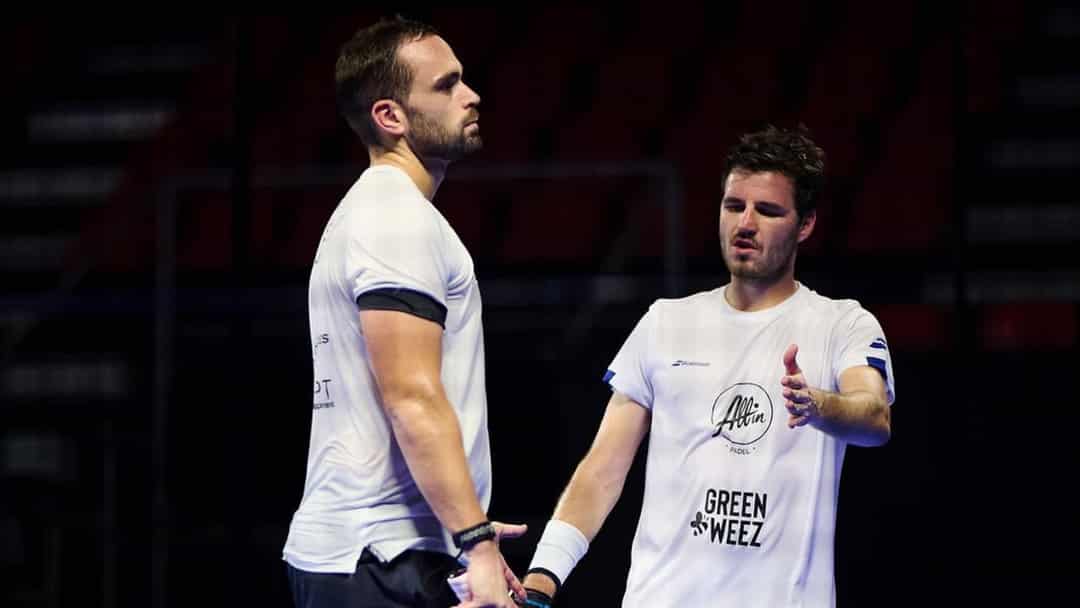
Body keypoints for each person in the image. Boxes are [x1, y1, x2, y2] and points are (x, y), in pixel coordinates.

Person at [519, 126, 895, 607]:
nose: (745, 223)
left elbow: (874, 418)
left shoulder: (842, 323)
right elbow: (602, 469)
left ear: (805, 225)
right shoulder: (665, 322)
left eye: (768, 211)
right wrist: (542, 579)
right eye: (734, 206)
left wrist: (819, 405)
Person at [282, 16, 525, 608]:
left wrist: (465, 535)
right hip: (380, 560)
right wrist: (476, 543)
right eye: (446, 85)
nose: (471, 95)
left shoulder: (379, 212)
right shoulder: (394, 218)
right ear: (390, 116)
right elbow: (411, 397)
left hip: (388, 554)